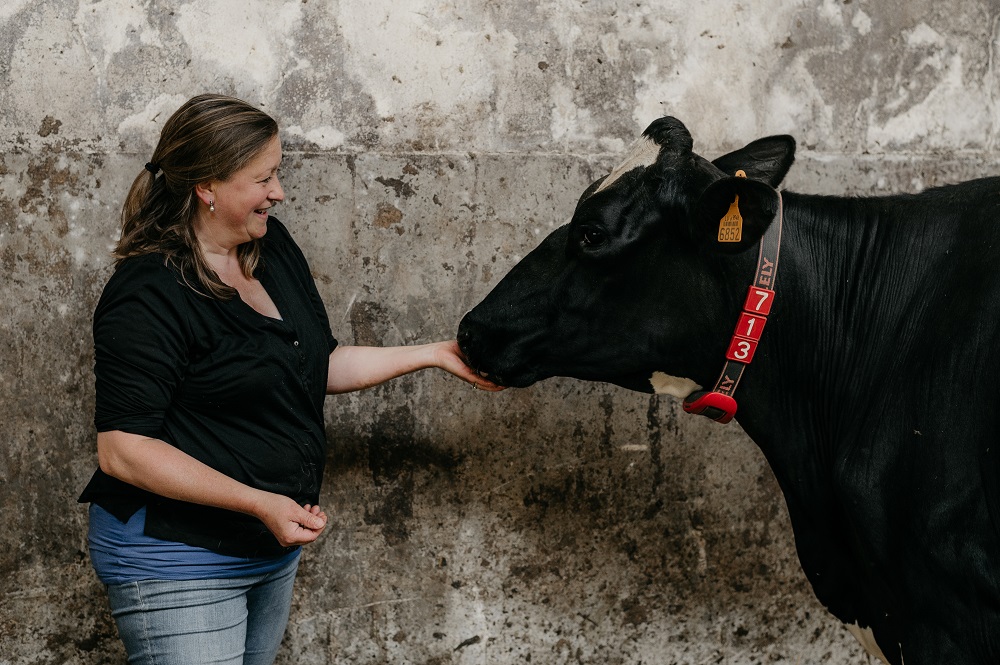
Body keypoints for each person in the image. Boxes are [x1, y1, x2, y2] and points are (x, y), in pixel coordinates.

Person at [78, 93, 501, 665]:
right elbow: (123, 450)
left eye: (277, 173)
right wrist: (259, 503)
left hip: (265, 548)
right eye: (263, 178)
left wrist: (433, 353)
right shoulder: (149, 292)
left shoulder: (268, 249)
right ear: (206, 187)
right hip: (178, 555)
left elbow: (313, 364)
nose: (278, 192)